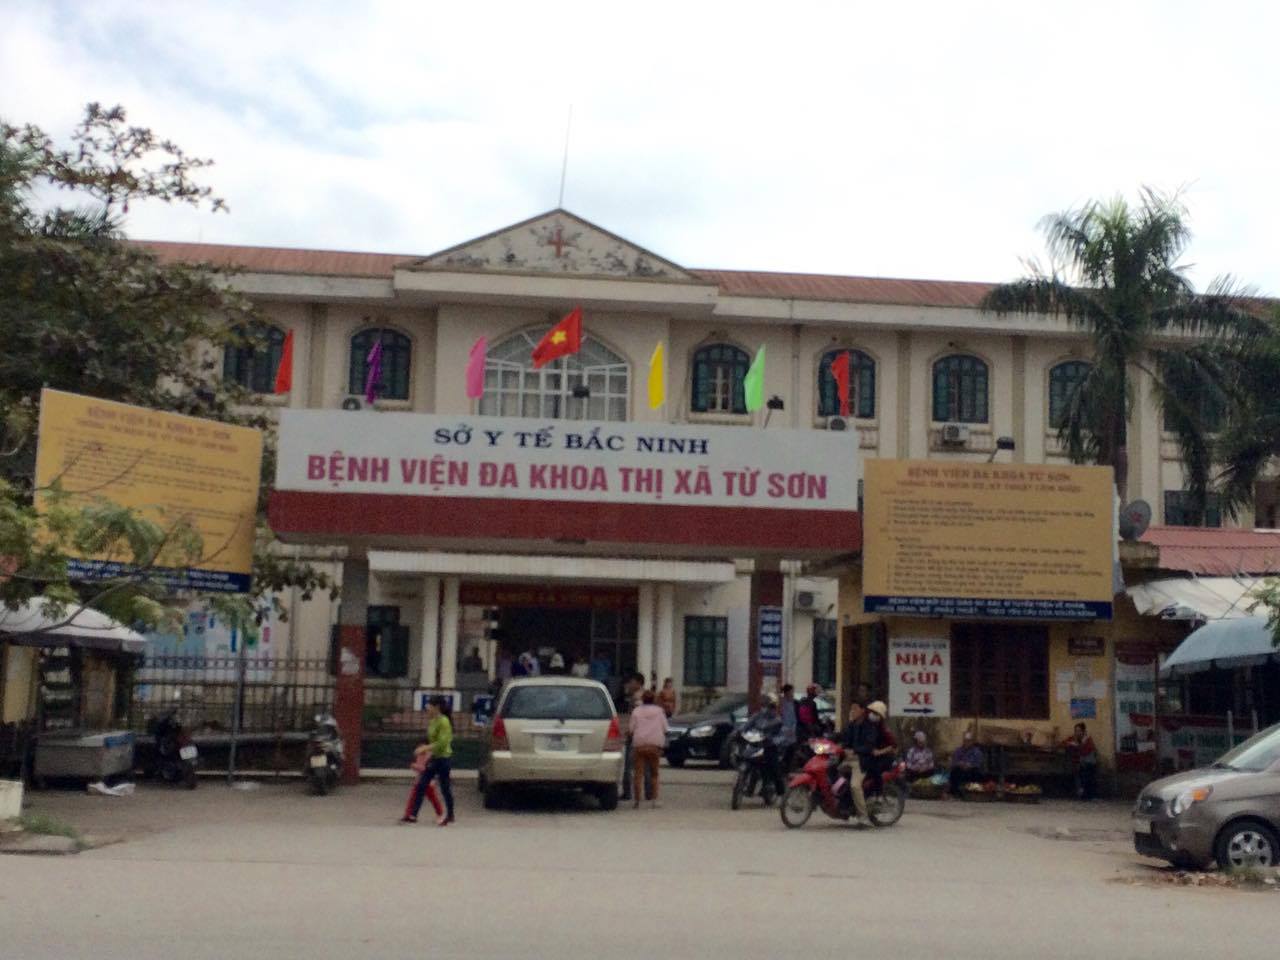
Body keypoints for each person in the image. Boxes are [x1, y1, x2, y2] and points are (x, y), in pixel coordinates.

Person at [406, 696, 454, 825]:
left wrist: (425, 748)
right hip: (434, 758)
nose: (427, 708)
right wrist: (425, 749)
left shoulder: (444, 722)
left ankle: (450, 814)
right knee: (422, 784)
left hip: (444, 758)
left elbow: (443, 742)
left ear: (436, 707)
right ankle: (413, 814)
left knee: (445, 788)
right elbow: (431, 739)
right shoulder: (433, 721)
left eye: (429, 706)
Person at [629, 688, 668, 808]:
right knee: (654, 773)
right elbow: (665, 728)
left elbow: (631, 729)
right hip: (654, 745)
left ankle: (637, 801)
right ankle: (654, 800)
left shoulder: (636, 711)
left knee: (638, 774)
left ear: (642, 699)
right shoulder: (659, 711)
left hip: (639, 744)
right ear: (654, 699)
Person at [839, 700, 875, 827]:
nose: (852, 711)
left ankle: (864, 817)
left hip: (861, 761)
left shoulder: (869, 727)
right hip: (848, 759)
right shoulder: (851, 726)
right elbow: (842, 738)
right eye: (851, 709)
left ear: (862, 711)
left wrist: (855, 751)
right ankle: (843, 806)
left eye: (855, 709)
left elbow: (869, 747)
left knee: (855, 785)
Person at [618, 672, 648, 802]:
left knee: (629, 766)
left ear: (637, 683)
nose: (629, 685)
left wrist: (630, 731)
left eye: (631, 682)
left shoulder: (637, 699)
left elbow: (637, 718)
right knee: (646, 765)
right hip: (646, 734)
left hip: (636, 735)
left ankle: (628, 792)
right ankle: (649, 792)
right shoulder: (646, 696)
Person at [400, 743, 442, 824]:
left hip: (428, 781)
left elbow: (426, 769)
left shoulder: (429, 756)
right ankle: (408, 815)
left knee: (433, 798)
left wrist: (414, 766)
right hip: (420, 780)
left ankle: (439, 813)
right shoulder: (420, 755)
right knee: (413, 798)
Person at [863, 700, 898, 791]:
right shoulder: (865, 726)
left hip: (882, 758)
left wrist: (880, 752)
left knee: (874, 770)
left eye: (876, 713)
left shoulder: (883, 730)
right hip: (866, 755)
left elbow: (893, 745)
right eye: (872, 712)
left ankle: (876, 792)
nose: (872, 715)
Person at [1063, 722, 1099, 800]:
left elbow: (1085, 752)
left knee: (1086, 774)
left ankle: (1087, 794)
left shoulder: (1088, 739)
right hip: (1079, 763)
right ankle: (1081, 793)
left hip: (1089, 762)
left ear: (1083, 731)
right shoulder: (1074, 738)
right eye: (1076, 731)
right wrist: (1070, 743)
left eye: (1079, 731)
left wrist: (1078, 746)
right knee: (1078, 772)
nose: (1077, 732)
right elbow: (1064, 743)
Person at [949, 730, 985, 798]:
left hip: (971, 770)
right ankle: (955, 793)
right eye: (965, 741)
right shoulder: (958, 750)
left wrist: (970, 765)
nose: (967, 743)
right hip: (960, 769)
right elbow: (954, 762)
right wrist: (960, 764)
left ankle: (973, 793)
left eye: (969, 741)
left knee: (977, 773)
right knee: (954, 772)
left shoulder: (977, 752)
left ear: (972, 742)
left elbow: (978, 763)